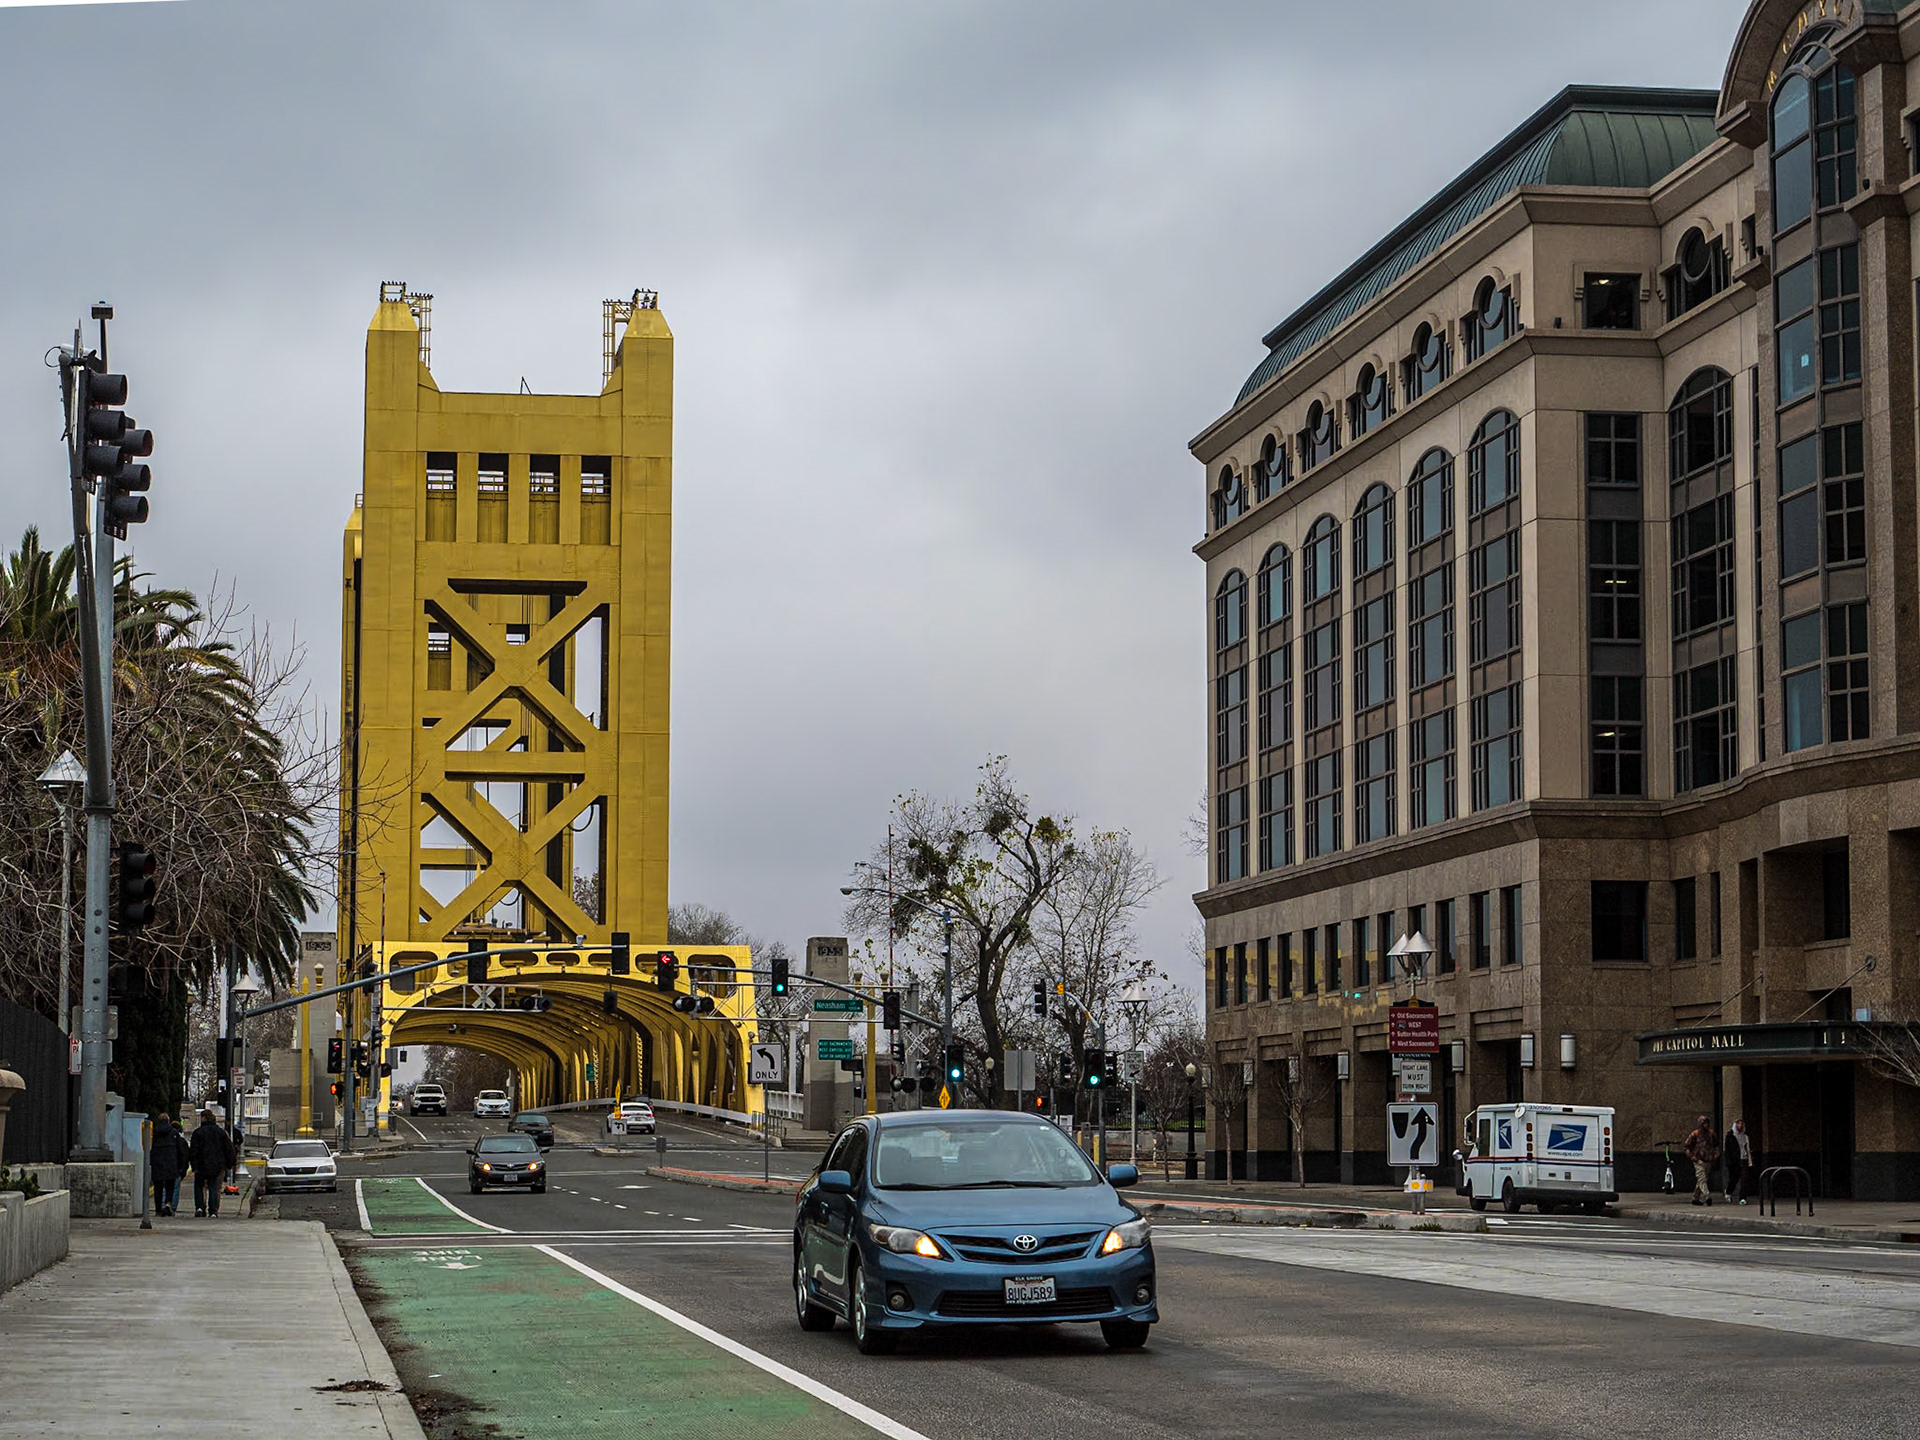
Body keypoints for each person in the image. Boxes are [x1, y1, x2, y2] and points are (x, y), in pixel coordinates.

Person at [188, 1108, 236, 1217]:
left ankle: (200, 1207)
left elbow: (193, 1151)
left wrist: (194, 1165)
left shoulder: (198, 1132)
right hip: (217, 1165)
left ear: (204, 1118)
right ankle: (213, 1211)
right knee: (214, 1187)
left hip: (201, 1164)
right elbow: (228, 1149)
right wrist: (230, 1164)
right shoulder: (221, 1133)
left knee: (199, 1186)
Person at [149, 1114, 187, 1217]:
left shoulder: (154, 1133)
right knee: (170, 1186)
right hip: (171, 1163)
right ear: (168, 1121)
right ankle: (168, 1203)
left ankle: (158, 1209)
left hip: (157, 1164)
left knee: (158, 1187)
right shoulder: (174, 1134)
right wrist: (181, 1166)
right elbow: (180, 1151)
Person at [1682, 1114, 1720, 1206]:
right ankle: (1707, 1196)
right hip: (1698, 1160)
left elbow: (1716, 1145)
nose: (1706, 1125)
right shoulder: (1695, 1134)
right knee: (1702, 1178)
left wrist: (1715, 1154)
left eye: (1707, 1123)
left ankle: (1695, 1197)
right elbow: (1686, 1146)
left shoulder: (1711, 1134)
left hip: (1708, 1159)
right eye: (1704, 1123)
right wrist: (1692, 1157)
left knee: (1702, 1179)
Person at [1724, 1117, 1754, 1204]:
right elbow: (1728, 1150)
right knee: (1734, 1179)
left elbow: (1747, 1149)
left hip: (1744, 1159)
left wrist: (1750, 1161)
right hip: (1734, 1161)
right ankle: (1728, 1191)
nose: (1740, 1125)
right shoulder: (1730, 1136)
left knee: (1744, 1180)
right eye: (1738, 1123)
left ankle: (1742, 1197)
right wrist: (1729, 1162)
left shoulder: (1745, 1137)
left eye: (1741, 1124)